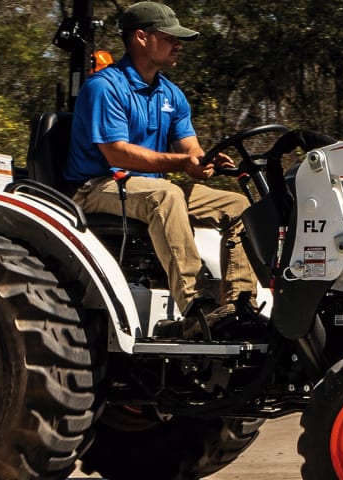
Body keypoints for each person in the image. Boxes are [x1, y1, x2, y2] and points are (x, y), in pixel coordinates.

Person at [67, 1, 253, 337]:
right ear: (141, 37)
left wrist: (204, 160)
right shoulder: (104, 87)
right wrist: (182, 163)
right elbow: (116, 154)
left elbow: (189, 146)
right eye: (170, 37)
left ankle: (240, 305)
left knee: (237, 205)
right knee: (166, 195)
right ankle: (197, 308)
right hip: (96, 188)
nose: (178, 44)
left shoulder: (171, 94)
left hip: (147, 187)